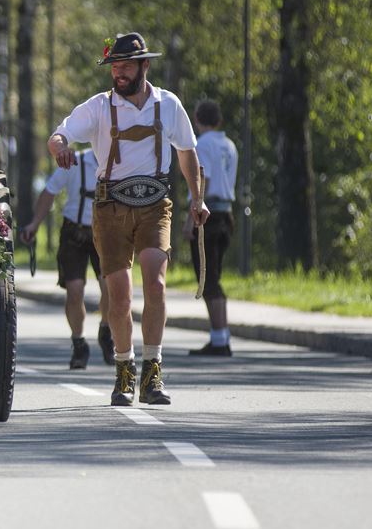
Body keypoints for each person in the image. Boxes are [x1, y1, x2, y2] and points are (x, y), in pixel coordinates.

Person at [48, 32, 209, 406]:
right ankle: (124, 368)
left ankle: (153, 371)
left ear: (144, 66)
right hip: (110, 208)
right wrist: (60, 148)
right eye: (114, 67)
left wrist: (197, 199)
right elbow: (60, 133)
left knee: (155, 285)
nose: (118, 74)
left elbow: (187, 155)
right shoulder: (99, 108)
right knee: (119, 296)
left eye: (125, 67)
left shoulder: (168, 105)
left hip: (155, 204)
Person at [20, 148, 114, 369]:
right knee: (74, 291)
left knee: (110, 288)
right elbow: (49, 191)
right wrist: (34, 224)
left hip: (106, 233)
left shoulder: (120, 162)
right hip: (75, 233)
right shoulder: (74, 161)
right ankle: (79, 342)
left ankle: (106, 330)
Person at [183, 99, 238, 356]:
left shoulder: (203, 144)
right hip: (226, 212)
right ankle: (220, 336)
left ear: (197, 119)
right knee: (215, 278)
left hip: (208, 214)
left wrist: (189, 218)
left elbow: (201, 178)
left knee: (208, 279)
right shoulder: (229, 145)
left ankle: (219, 340)